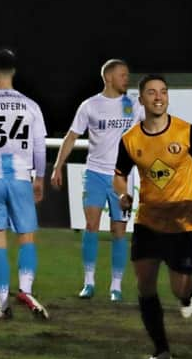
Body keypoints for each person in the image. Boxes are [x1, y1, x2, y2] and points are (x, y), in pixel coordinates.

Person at [113, 74, 192, 359]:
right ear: (142, 99)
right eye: (151, 93)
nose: (158, 97)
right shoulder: (131, 139)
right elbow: (119, 177)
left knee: (178, 288)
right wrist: (123, 195)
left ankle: (188, 292)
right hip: (148, 221)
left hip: (181, 223)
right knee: (144, 285)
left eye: (163, 92)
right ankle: (161, 350)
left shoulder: (186, 131)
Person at [51, 59, 142, 301]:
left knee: (119, 230)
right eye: (123, 75)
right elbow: (71, 137)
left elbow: (154, 126)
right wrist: (57, 166)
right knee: (91, 226)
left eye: (127, 75)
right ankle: (88, 282)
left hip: (122, 177)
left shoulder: (133, 105)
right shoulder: (90, 105)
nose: (127, 79)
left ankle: (116, 286)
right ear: (109, 77)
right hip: (94, 174)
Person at [0, 49, 49, 319]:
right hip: (20, 179)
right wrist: (39, 178)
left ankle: (3, 304)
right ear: (13, 71)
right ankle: (25, 289)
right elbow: (39, 147)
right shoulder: (30, 106)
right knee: (26, 238)